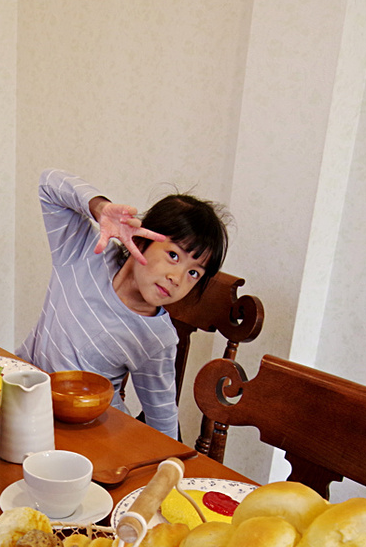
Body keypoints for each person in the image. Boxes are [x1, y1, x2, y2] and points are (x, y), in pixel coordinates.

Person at [17, 169, 230, 439]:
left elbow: (162, 422)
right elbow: (49, 183)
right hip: (24, 397)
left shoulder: (157, 337)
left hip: (90, 435)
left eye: (193, 273)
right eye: (174, 255)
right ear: (141, 238)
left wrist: (169, 472)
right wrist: (100, 207)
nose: (177, 279)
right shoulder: (82, 253)